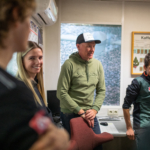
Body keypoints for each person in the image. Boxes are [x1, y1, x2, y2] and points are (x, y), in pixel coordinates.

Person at [0, 0, 69, 150]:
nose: (31, 27)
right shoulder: (15, 93)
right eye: (29, 17)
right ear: (16, 15)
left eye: (40, 57)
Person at [57, 33, 105, 150]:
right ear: (78, 46)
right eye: (89, 46)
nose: (92, 49)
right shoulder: (69, 65)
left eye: (93, 46)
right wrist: (80, 112)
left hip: (89, 112)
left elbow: (101, 91)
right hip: (70, 113)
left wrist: (94, 110)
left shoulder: (97, 65)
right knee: (76, 147)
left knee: (97, 146)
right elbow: (61, 92)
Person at [17, 41, 53, 121]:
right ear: (22, 61)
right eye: (32, 58)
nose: (38, 62)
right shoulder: (21, 89)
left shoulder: (35, 83)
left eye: (40, 57)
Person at [123, 53, 150, 150]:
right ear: (145, 67)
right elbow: (126, 106)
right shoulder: (137, 83)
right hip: (143, 126)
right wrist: (129, 128)